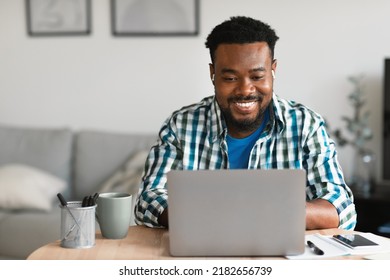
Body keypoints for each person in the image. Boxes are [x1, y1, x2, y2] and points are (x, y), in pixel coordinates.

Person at [134, 16, 357, 230]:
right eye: (230, 79)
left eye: (257, 77)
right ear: (213, 73)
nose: (245, 90)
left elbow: (342, 209)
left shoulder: (306, 125)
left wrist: (270, 212)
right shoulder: (181, 126)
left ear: (273, 70)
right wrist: (209, 216)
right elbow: (148, 199)